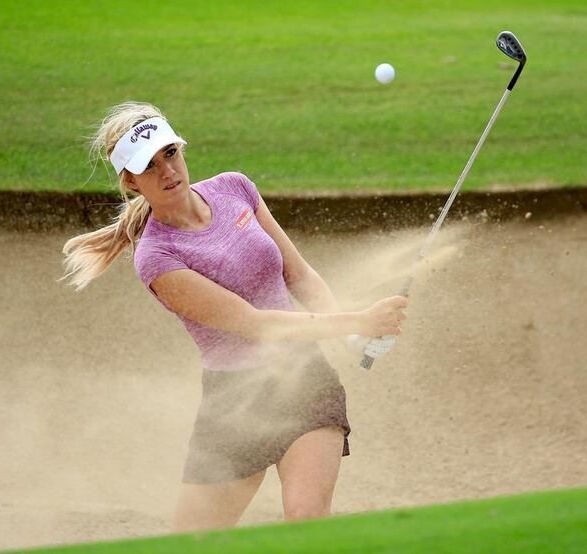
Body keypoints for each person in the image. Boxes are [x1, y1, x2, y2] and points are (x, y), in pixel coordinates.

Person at [60, 101, 407, 532]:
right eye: (148, 166)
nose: (167, 172)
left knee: (306, 523)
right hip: (235, 406)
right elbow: (257, 323)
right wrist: (358, 321)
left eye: (170, 154)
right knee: (191, 542)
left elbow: (298, 274)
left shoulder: (234, 188)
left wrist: (352, 338)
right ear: (131, 182)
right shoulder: (157, 257)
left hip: (305, 381)